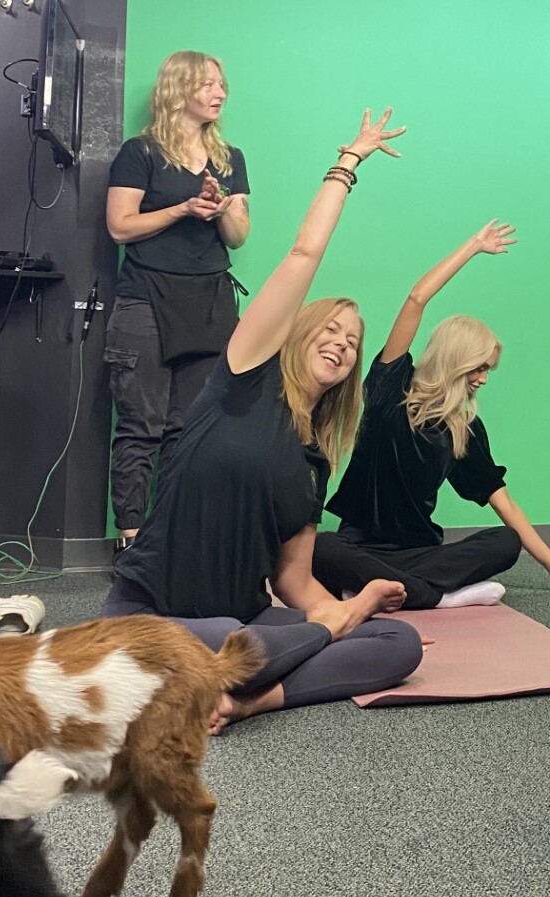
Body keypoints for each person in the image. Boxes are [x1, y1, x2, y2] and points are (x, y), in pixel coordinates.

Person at [103, 107, 422, 733]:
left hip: (244, 624)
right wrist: (348, 163)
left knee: (398, 643)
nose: (341, 343)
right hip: (154, 616)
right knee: (232, 638)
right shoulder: (242, 378)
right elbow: (304, 253)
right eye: (329, 330)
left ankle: (244, 699)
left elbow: (296, 586)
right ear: (297, 334)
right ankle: (238, 669)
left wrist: (342, 619)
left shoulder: (314, 462)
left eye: (353, 342)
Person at [313, 223, 550, 609]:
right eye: (478, 368)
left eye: (488, 370)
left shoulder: (464, 430)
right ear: (455, 360)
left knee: (504, 541)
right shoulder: (389, 389)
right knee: (319, 547)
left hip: (422, 553)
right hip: (359, 546)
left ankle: (383, 591)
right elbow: (416, 299)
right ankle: (435, 595)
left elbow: (505, 505)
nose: (482, 379)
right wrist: (474, 247)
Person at [105, 51, 253, 559]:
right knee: (140, 425)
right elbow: (121, 226)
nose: (220, 93)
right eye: (209, 84)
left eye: (221, 83)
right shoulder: (140, 152)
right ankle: (131, 541)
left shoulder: (230, 158)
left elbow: (238, 237)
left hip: (210, 302)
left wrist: (218, 210)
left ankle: (171, 539)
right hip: (146, 299)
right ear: (179, 89)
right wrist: (184, 207)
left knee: (188, 430)